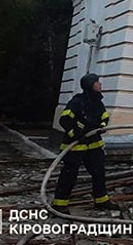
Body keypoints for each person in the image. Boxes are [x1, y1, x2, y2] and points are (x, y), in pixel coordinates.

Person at [51, 73, 118, 214]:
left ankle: (101, 200)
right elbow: (64, 120)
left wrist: (101, 126)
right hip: (75, 146)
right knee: (69, 175)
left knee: (99, 173)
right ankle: (59, 204)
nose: (100, 84)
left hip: (94, 145)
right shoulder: (77, 101)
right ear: (90, 85)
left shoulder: (98, 102)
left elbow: (104, 117)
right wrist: (75, 133)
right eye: (97, 82)